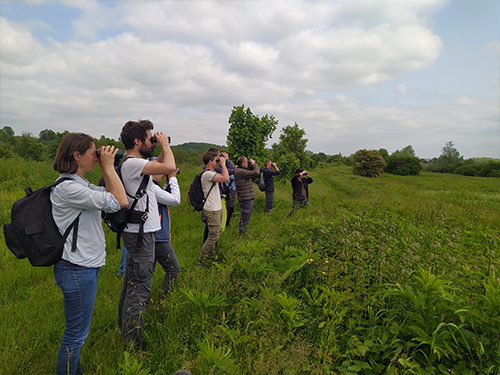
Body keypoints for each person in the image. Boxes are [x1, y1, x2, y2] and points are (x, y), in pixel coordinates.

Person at [51, 133, 128, 375]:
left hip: (83, 267)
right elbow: (120, 201)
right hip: (76, 269)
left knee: (77, 333)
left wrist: (107, 168)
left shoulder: (81, 184)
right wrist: (108, 165)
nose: (96, 158)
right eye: (92, 153)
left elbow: (113, 195)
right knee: (75, 335)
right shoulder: (69, 188)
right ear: (76, 155)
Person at [118, 119, 176, 352]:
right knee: (139, 290)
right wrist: (165, 146)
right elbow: (169, 167)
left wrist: (159, 147)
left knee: (130, 284)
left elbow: (160, 169)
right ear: (137, 141)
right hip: (141, 237)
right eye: (149, 138)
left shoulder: (135, 163)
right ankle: (133, 348)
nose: (152, 142)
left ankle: (123, 329)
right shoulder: (132, 163)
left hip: (139, 234)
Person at [152, 167, 181, 298]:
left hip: (153, 236)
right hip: (158, 238)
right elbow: (175, 200)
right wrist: (173, 179)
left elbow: (163, 196)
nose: (164, 174)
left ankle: (144, 300)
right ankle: (163, 299)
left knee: (146, 273)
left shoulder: (149, 186)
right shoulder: (152, 187)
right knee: (173, 269)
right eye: (161, 171)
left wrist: (167, 184)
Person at [199, 150, 229, 265]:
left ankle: (210, 257)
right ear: (210, 161)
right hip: (211, 210)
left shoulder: (212, 173)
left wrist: (223, 162)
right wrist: (223, 164)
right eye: (216, 160)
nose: (217, 162)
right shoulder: (207, 174)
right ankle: (202, 259)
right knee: (213, 236)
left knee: (214, 235)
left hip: (216, 208)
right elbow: (226, 178)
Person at [202, 147, 235, 240]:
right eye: (218, 156)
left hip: (215, 200)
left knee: (211, 228)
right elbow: (231, 172)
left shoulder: (213, 169)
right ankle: (208, 249)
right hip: (212, 203)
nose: (219, 158)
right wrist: (226, 160)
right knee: (212, 229)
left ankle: (209, 247)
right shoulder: (211, 170)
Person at [234, 156, 260, 235]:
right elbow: (256, 172)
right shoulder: (240, 171)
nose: (248, 163)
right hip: (245, 197)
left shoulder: (240, 170)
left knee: (245, 216)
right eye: (246, 162)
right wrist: (254, 164)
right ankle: (242, 233)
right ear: (243, 163)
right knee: (245, 216)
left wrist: (251, 165)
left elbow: (250, 172)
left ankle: (242, 232)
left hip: (245, 196)